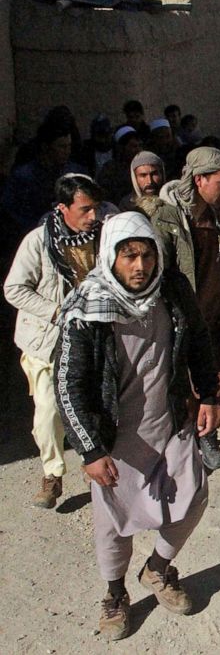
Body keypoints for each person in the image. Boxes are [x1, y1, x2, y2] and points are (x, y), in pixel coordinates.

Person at [53, 211, 220, 641]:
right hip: (117, 437)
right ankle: (114, 595)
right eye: (128, 255)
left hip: (169, 419)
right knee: (114, 523)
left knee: (195, 494)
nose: (139, 266)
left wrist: (209, 395)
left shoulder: (171, 289)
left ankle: (158, 569)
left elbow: (198, 339)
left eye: (146, 254)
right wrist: (90, 449)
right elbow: (68, 382)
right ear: (110, 256)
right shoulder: (88, 305)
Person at [153, 148, 220, 465]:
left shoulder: (219, 214)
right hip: (186, 319)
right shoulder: (169, 217)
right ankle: (194, 441)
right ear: (199, 179)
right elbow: (160, 272)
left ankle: (208, 433)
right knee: (188, 383)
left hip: (218, 315)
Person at [4, 175, 103, 508]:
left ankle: (97, 465)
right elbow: (14, 289)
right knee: (48, 411)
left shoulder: (102, 239)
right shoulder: (38, 241)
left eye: (96, 208)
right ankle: (52, 473)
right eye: (85, 209)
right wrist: (57, 311)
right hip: (47, 341)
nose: (93, 216)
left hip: (93, 337)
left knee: (96, 405)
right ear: (63, 209)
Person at [2, 123, 86, 234]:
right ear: (46, 147)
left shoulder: (76, 173)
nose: (67, 151)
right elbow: (11, 211)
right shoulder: (23, 176)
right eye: (62, 147)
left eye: (69, 146)